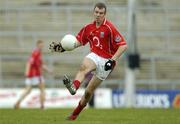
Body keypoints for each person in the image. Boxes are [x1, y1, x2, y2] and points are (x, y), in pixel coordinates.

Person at [50, 2, 127, 120]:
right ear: (93, 12)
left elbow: (123, 45)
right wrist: (62, 48)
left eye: (101, 13)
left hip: (107, 62)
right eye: (96, 12)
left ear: (105, 14)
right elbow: (77, 42)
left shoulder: (110, 28)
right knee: (84, 67)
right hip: (95, 55)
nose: (98, 15)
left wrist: (112, 60)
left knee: (88, 92)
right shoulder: (88, 28)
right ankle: (74, 87)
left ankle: (75, 114)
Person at [14, 40, 52, 109]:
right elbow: (29, 62)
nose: (41, 46)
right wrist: (27, 72)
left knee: (28, 90)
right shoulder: (36, 53)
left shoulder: (38, 53)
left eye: (42, 45)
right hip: (36, 75)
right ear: (37, 45)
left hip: (33, 75)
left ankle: (18, 103)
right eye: (40, 45)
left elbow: (40, 65)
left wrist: (48, 70)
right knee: (42, 90)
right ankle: (42, 106)